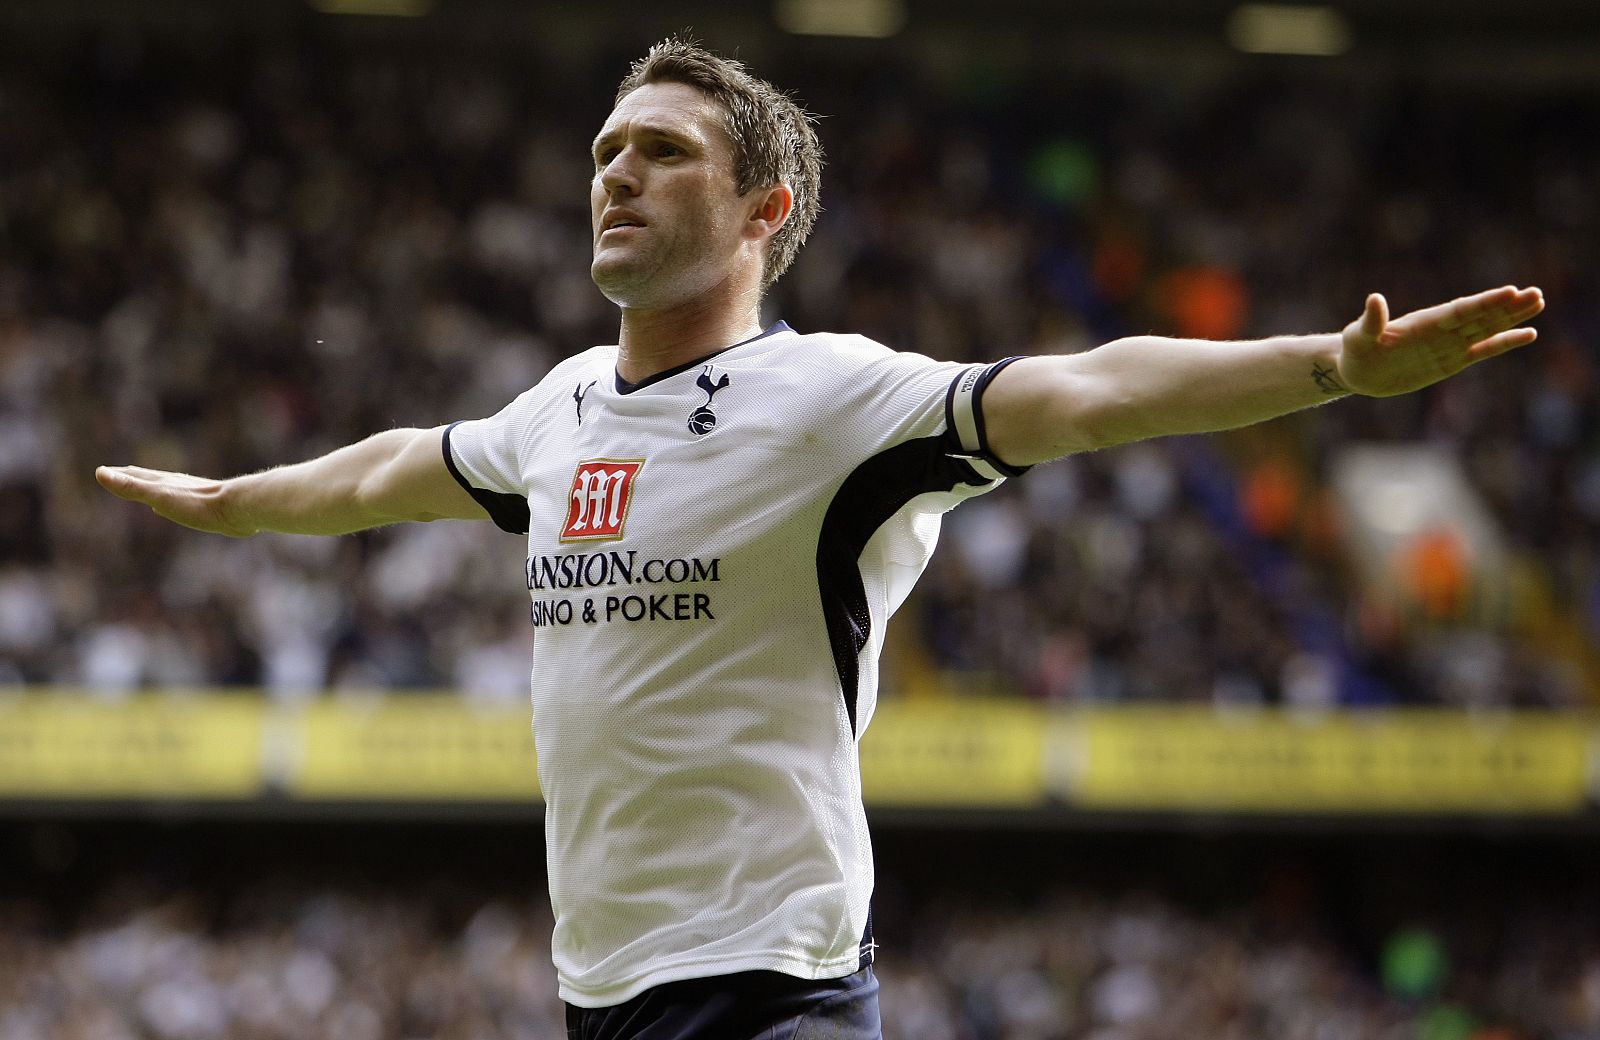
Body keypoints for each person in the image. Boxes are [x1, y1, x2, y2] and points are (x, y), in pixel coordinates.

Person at [96, 36, 1544, 1040]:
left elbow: (1088, 390)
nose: (614, 172)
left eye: (661, 153)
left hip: (773, 981)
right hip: (598, 987)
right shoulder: (561, 409)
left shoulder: (836, 398)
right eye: (606, 149)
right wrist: (239, 501)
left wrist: (1328, 372)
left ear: (760, 212)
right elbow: (401, 469)